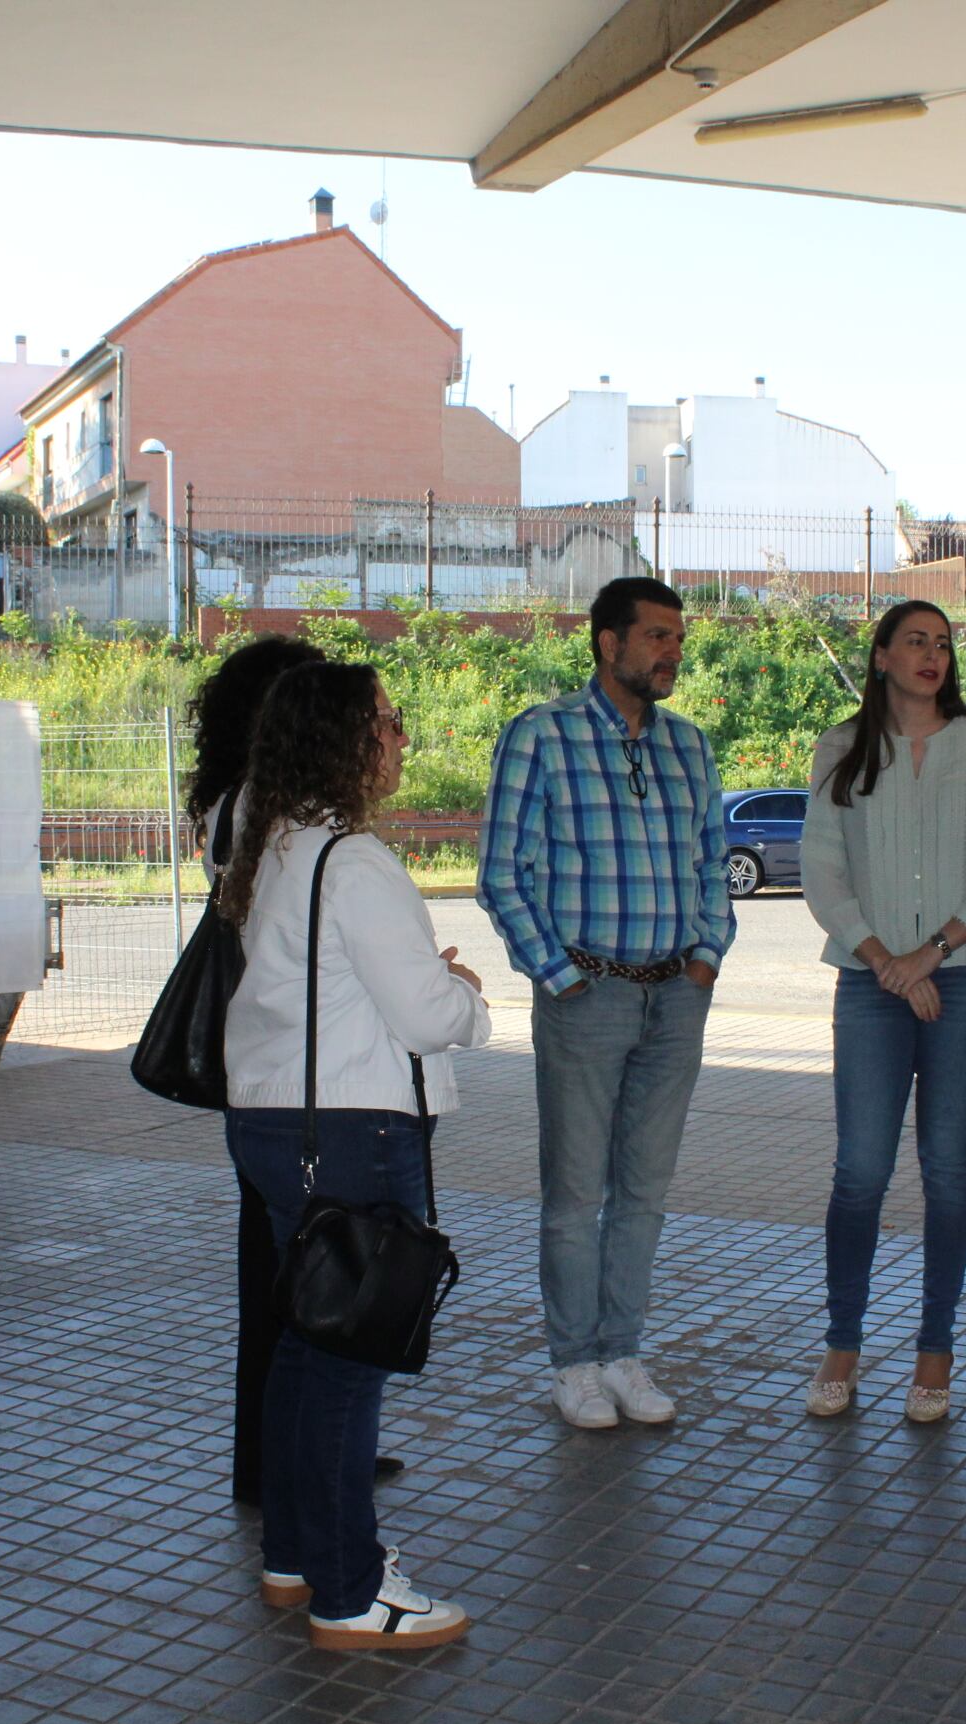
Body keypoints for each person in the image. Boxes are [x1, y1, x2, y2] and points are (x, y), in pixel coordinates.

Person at [219, 662, 491, 1650]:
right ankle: (348, 1591)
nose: (403, 736)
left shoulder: (277, 845)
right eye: (389, 719)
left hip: (275, 1126)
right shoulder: (354, 860)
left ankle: (295, 1557)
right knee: (347, 1366)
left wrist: (422, 979)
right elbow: (424, 1011)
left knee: (307, 1347)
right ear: (347, 738)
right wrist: (470, 1000)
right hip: (354, 1131)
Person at [478, 576, 734, 1431]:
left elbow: (711, 864)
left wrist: (705, 957)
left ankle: (623, 1352)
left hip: (675, 999)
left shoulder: (690, 746)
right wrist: (559, 976)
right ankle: (573, 1365)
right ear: (608, 643)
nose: (673, 652)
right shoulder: (541, 737)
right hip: (585, 996)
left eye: (679, 637)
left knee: (645, 1192)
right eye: (658, 636)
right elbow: (503, 874)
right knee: (573, 1194)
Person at [798, 600, 966, 1423]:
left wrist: (928, 954)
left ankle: (935, 1351)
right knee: (860, 1170)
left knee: (947, 1169)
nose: (932, 656)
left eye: (941, 644)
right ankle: (843, 1342)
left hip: (964, 980)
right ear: (881, 658)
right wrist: (886, 965)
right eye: (916, 643)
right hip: (869, 986)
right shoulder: (841, 748)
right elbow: (823, 876)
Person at [184, 635, 350, 1510]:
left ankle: (282, 1452)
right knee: (288, 1271)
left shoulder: (225, 799)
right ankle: (281, 1460)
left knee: (275, 1262)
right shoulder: (263, 805)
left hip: (251, 1061)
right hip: (279, 1060)